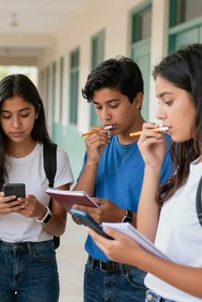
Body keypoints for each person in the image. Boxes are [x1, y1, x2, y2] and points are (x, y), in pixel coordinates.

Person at [88, 43, 202, 302]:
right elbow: (151, 238)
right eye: (160, 101)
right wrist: (152, 166)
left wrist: (138, 258)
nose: (160, 113)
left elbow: (146, 251)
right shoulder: (189, 165)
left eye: (169, 101)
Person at [0, 74, 74, 302]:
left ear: (37, 112)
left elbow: (59, 227)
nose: (16, 124)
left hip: (39, 262)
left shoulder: (55, 157)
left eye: (24, 114)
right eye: (6, 116)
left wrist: (41, 213)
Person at [72, 56, 173, 302]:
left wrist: (121, 216)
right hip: (95, 270)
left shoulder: (164, 150)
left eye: (113, 105)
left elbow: (165, 229)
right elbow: (76, 212)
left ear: (137, 100)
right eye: (98, 107)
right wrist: (93, 161)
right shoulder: (99, 146)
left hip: (138, 276)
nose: (104, 115)